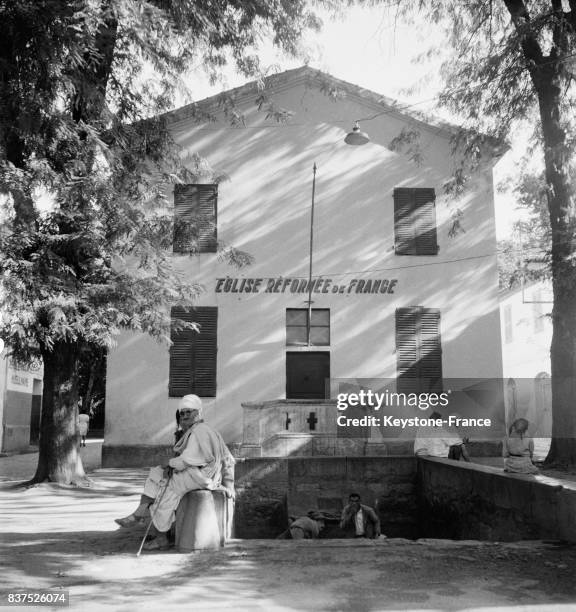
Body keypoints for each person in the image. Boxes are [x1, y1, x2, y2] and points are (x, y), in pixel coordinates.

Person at [115, 394, 235, 550]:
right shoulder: (201, 430)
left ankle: (161, 537)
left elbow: (187, 460)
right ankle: (140, 511)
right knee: (156, 472)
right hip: (196, 473)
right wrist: (168, 466)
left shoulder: (200, 432)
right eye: (182, 413)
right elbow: (226, 458)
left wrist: (170, 465)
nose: (184, 416)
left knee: (165, 489)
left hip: (199, 477)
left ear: (198, 413)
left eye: (188, 412)